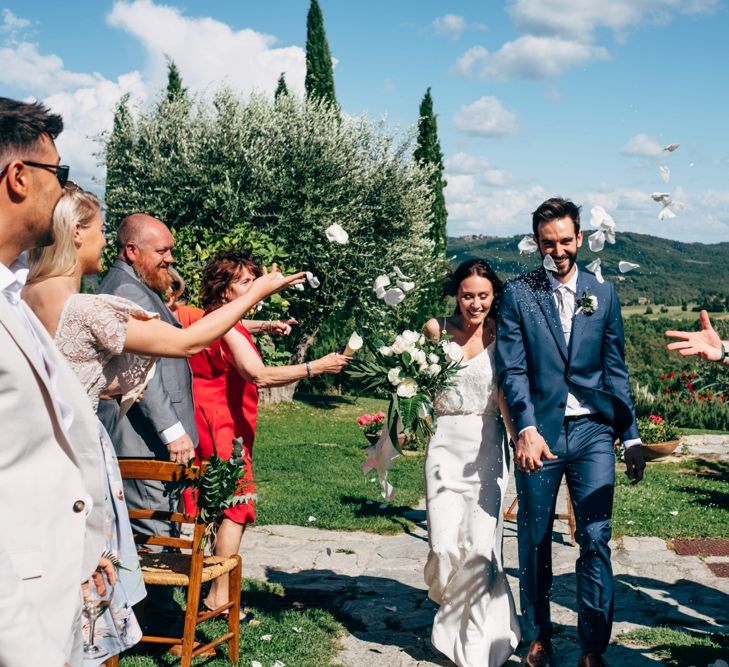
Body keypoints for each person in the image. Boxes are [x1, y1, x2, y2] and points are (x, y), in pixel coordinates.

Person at [22, 184, 302, 659]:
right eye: (100, 232)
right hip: (83, 457)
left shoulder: (26, 296)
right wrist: (254, 294)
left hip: (49, 456)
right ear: (74, 234)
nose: (106, 243)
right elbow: (187, 343)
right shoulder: (95, 306)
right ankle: (135, 630)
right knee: (107, 555)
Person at [496, 197, 645, 667]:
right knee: (535, 537)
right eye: (547, 243)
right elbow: (513, 371)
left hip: (594, 432)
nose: (557, 251)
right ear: (535, 243)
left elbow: (615, 370)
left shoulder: (603, 293)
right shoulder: (519, 294)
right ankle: (540, 633)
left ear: (579, 238)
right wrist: (525, 428)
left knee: (596, 537)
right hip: (541, 433)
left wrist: (632, 436)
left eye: (564, 241)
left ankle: (593, 646)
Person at [177, 249, 350, 614]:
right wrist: (316, 367)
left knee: (215, 508)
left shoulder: (204, 318)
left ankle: (210, 588)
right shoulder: (229, 329)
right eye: (244, 283)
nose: (253, 288)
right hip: (225, 429)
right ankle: (218, 597)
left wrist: (265, 326)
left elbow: (231, 328)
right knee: (234, 509)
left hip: (205, 422)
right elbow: (260, 375)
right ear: (224, 291)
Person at [0, 97, 109, 666]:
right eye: (58, 173)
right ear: (18, 177)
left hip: (55, 586)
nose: (64, 191)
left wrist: (88, 543)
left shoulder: (13, 296)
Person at [421, 259, 520, 667]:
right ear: (456, 294)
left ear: (494, 296)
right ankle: (452, 610)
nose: (474, 304)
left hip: (488, 448)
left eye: (483, 295)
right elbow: (419, 388)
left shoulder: (504, 335)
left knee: (481, 550)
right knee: (444, 547)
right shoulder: (435, 330)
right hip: (442, 447)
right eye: (467, 295)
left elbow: (504, 395)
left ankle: (476, 649)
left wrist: (522, 440)